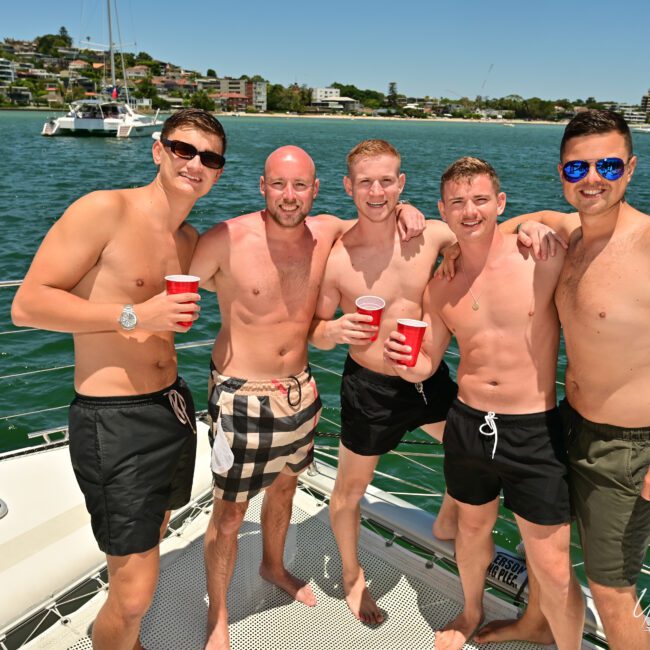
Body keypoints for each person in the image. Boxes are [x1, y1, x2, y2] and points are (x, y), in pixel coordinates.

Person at [188, 144, 425, 650]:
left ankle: (274, 566)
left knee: (286, 490)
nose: (289, 196)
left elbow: (376, 208)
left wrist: (409, 208)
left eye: (300, 186)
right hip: (241, 396)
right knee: (229, 514)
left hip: (300, 393)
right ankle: (219, 617)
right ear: (262, 186)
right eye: (278, 184)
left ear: (316, 191)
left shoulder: (327, 232)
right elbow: (175, 276)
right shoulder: (226, 238)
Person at [11, 108, 227, 650]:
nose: (195, 163)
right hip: (114, 421)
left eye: (210, 157)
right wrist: (133, 316)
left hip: (173, 410)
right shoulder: (105, 209)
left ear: (218, 172)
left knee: (152, 537)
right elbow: (28, 305)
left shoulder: (188, 240)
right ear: (158, 149)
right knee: (133, 597)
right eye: (183, 149)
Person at [386, 156, 584, 650]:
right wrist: (402, 362)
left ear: (500, 203)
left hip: (534, 428)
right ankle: (472, 609)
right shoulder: (442, 283)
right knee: (471, 531)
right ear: (442, 211)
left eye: (479, 200)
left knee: (555, 567)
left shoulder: (540, 256)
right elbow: (427, 362)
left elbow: (592, 222)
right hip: (469, 423)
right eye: (457, 202)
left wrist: (537, 224)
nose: (469, 211)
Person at [477, 110, 650, 650]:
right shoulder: (564, 229)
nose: (592, 178)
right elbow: (484, 228)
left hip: (626, 446)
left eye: (607, 165)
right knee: (543, 543)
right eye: (577, 169)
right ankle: (535, 623)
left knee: (612, 587)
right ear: (561, 174)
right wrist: (524, 225)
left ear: (630, 168)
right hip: (563, 422)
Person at [308, 139, 458, 624]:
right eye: (366, 182)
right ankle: (353, 578)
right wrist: (330, 331)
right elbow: (312, 328)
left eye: (387, 181)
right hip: (370, 388)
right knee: (349, 491)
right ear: (348, 187)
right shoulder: (336, 258)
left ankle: (448, 516)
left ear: (402, 184)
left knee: (475, 450)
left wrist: (533, 230)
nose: (376, 191)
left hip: (427, 381)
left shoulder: (430, 235)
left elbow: (484, 243)